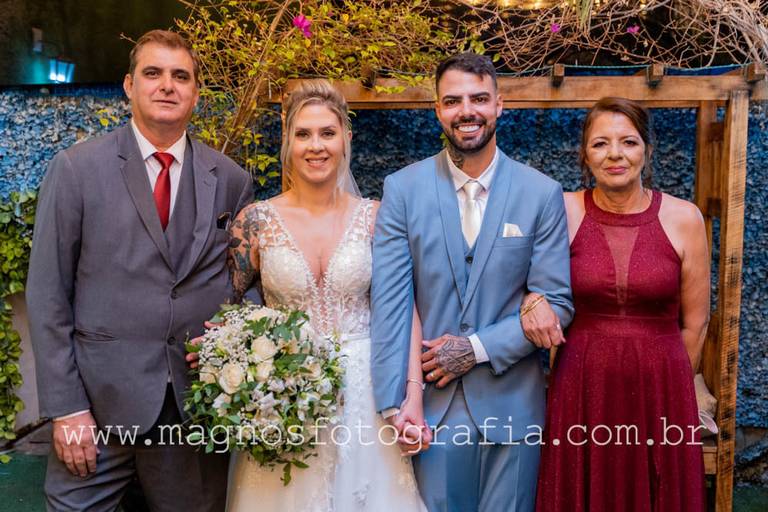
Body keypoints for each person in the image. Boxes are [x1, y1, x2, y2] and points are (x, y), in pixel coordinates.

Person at [26, 30, 254, 511]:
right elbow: (48, 295)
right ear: (130, 85)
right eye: (153, 73)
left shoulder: (230, 180)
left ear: (196, 92)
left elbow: (244, 287)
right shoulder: (76, 170)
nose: (167, 85)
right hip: (97, 409)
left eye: (180, 76)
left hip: (193, 413)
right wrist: (67, 409)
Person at [370, 52, 574, 512]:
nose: (467, 111)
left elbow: (556, 303)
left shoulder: (541, 193)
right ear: (438, 110)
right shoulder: (402, 190)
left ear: (499, 104)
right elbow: (392, 303)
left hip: (513, 406)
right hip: (432, 408)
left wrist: (475, 348)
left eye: (479, 98)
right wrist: (396, 402)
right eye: (453, 101)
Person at [223, 80, 427, 512]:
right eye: (303, 134)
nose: (315, 146)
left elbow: (403, 310)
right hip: (283, 399)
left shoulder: (376, 218)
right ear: (288, 142)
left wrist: (412, 396)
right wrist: (243, 370)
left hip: (367, 398)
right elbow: (228, 311)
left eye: (327, 133)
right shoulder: (254, 223)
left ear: (346, 138)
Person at [531, 97, 709, 511]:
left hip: (662, 389)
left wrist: (671, 395)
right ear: (584, 154)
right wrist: (531, 299)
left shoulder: (685, 218)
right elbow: (531, 283)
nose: (615, 154)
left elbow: (696, 324)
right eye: (600, 143)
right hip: (582, 386)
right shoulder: (563, 210)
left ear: (647, 149)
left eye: (628, 142)